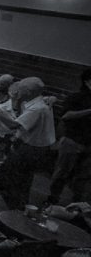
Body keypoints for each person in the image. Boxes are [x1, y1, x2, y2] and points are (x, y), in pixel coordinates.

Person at [0, 77, 56, 209]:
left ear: (28, 91)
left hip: (31, 149)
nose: (17, 89)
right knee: (23, 180)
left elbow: (13, 125)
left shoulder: (37, 108)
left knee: (3, 177)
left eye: (20, 88)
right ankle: (21, 207)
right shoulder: (37, 102)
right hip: (35, 148)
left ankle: (15, 208)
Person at [48, 68, 91, 204]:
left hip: (89, 144)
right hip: (72, 140)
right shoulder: (77, 97)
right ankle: (53, 199)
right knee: (62, 172)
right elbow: (66, 115)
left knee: (83, 177)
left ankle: (76, 205)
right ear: (88, 81)